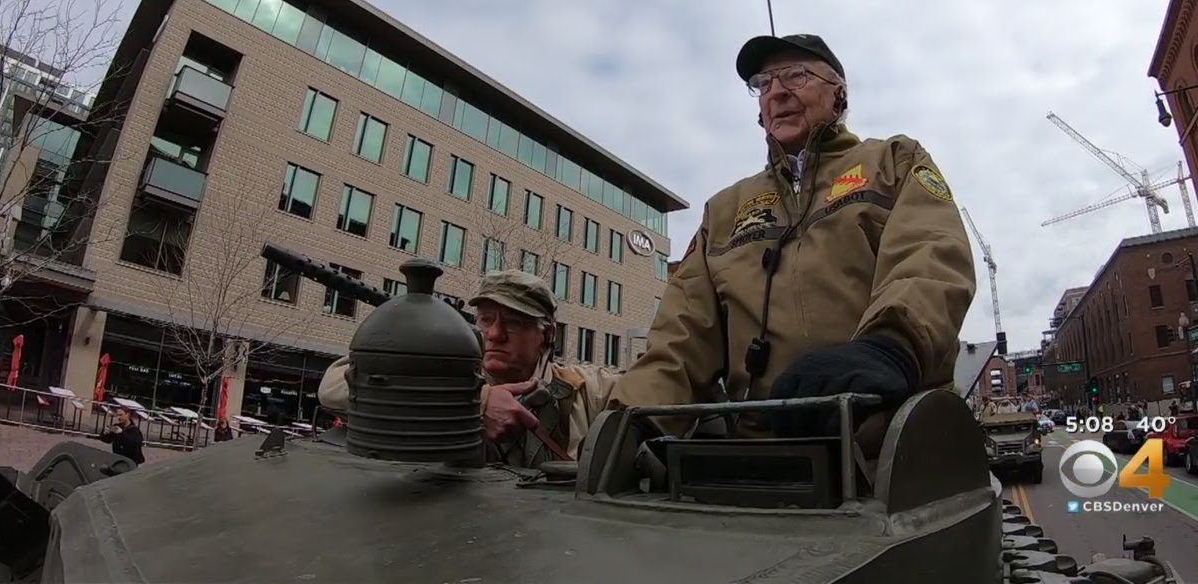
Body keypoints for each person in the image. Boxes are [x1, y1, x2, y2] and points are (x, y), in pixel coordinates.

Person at [606, 33, 977, 457]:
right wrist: (630, 423)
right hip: (765, 459)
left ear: (838, 93)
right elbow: (680, 336)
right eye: (764, 84)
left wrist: (889, 348)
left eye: (795, 75)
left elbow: (931, 257)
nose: (777, 91)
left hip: (892, 446)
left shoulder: (894, 162)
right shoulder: (724, 211)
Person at [318, 270, 620, 465]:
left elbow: (649, 388)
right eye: (487, 319)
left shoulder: (584, 390)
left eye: (514, 323)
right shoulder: (451, 374)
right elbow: (333, 387)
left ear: (547, 334)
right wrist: (476, 401)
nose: (495, 334)